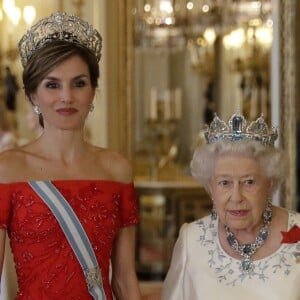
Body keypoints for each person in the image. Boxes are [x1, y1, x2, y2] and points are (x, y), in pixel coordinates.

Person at [0, 12, 141, 300]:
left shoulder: (116, 170)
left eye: (78, 83)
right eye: (52, 85)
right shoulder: (8, 168)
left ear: (92, 92)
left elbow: (125, 279)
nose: (67, 97)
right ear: (32, 96)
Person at [162, 113, 300, 300]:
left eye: (249, 182)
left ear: (269, 183)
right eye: (224, 183)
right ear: (211, 186)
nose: (236, 197)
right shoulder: (191, 240)